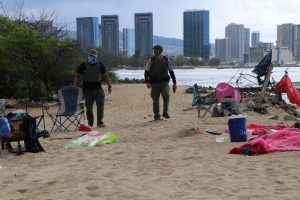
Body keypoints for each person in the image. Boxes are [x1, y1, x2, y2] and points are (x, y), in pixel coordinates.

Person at [74, 49, 112, 127]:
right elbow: (77, 75)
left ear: (96, 56)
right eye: (91, 56)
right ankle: (90, 123)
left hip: (98, 89)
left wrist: (109, 85)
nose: (92, 57)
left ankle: (99, 122)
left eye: (94, 56)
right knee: (89, 108)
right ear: (88, 56)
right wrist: (75, 86)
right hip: (88, 90)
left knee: (100, 105)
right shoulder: (83, 65)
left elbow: (105, 75)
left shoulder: (100, 65)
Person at [144, 45, 177, 120]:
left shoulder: (166, 60)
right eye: (154, 50)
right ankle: (156, 115)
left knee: (166, 95)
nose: (155, 52)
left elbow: (171, 71)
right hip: (154, 83)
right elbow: (146, 71)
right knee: (155, 99)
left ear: (160, 51)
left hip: (164, 82)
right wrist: (147, 82)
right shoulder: (151, 60)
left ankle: (165, 113)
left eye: (156, 50)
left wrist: (174, 83)